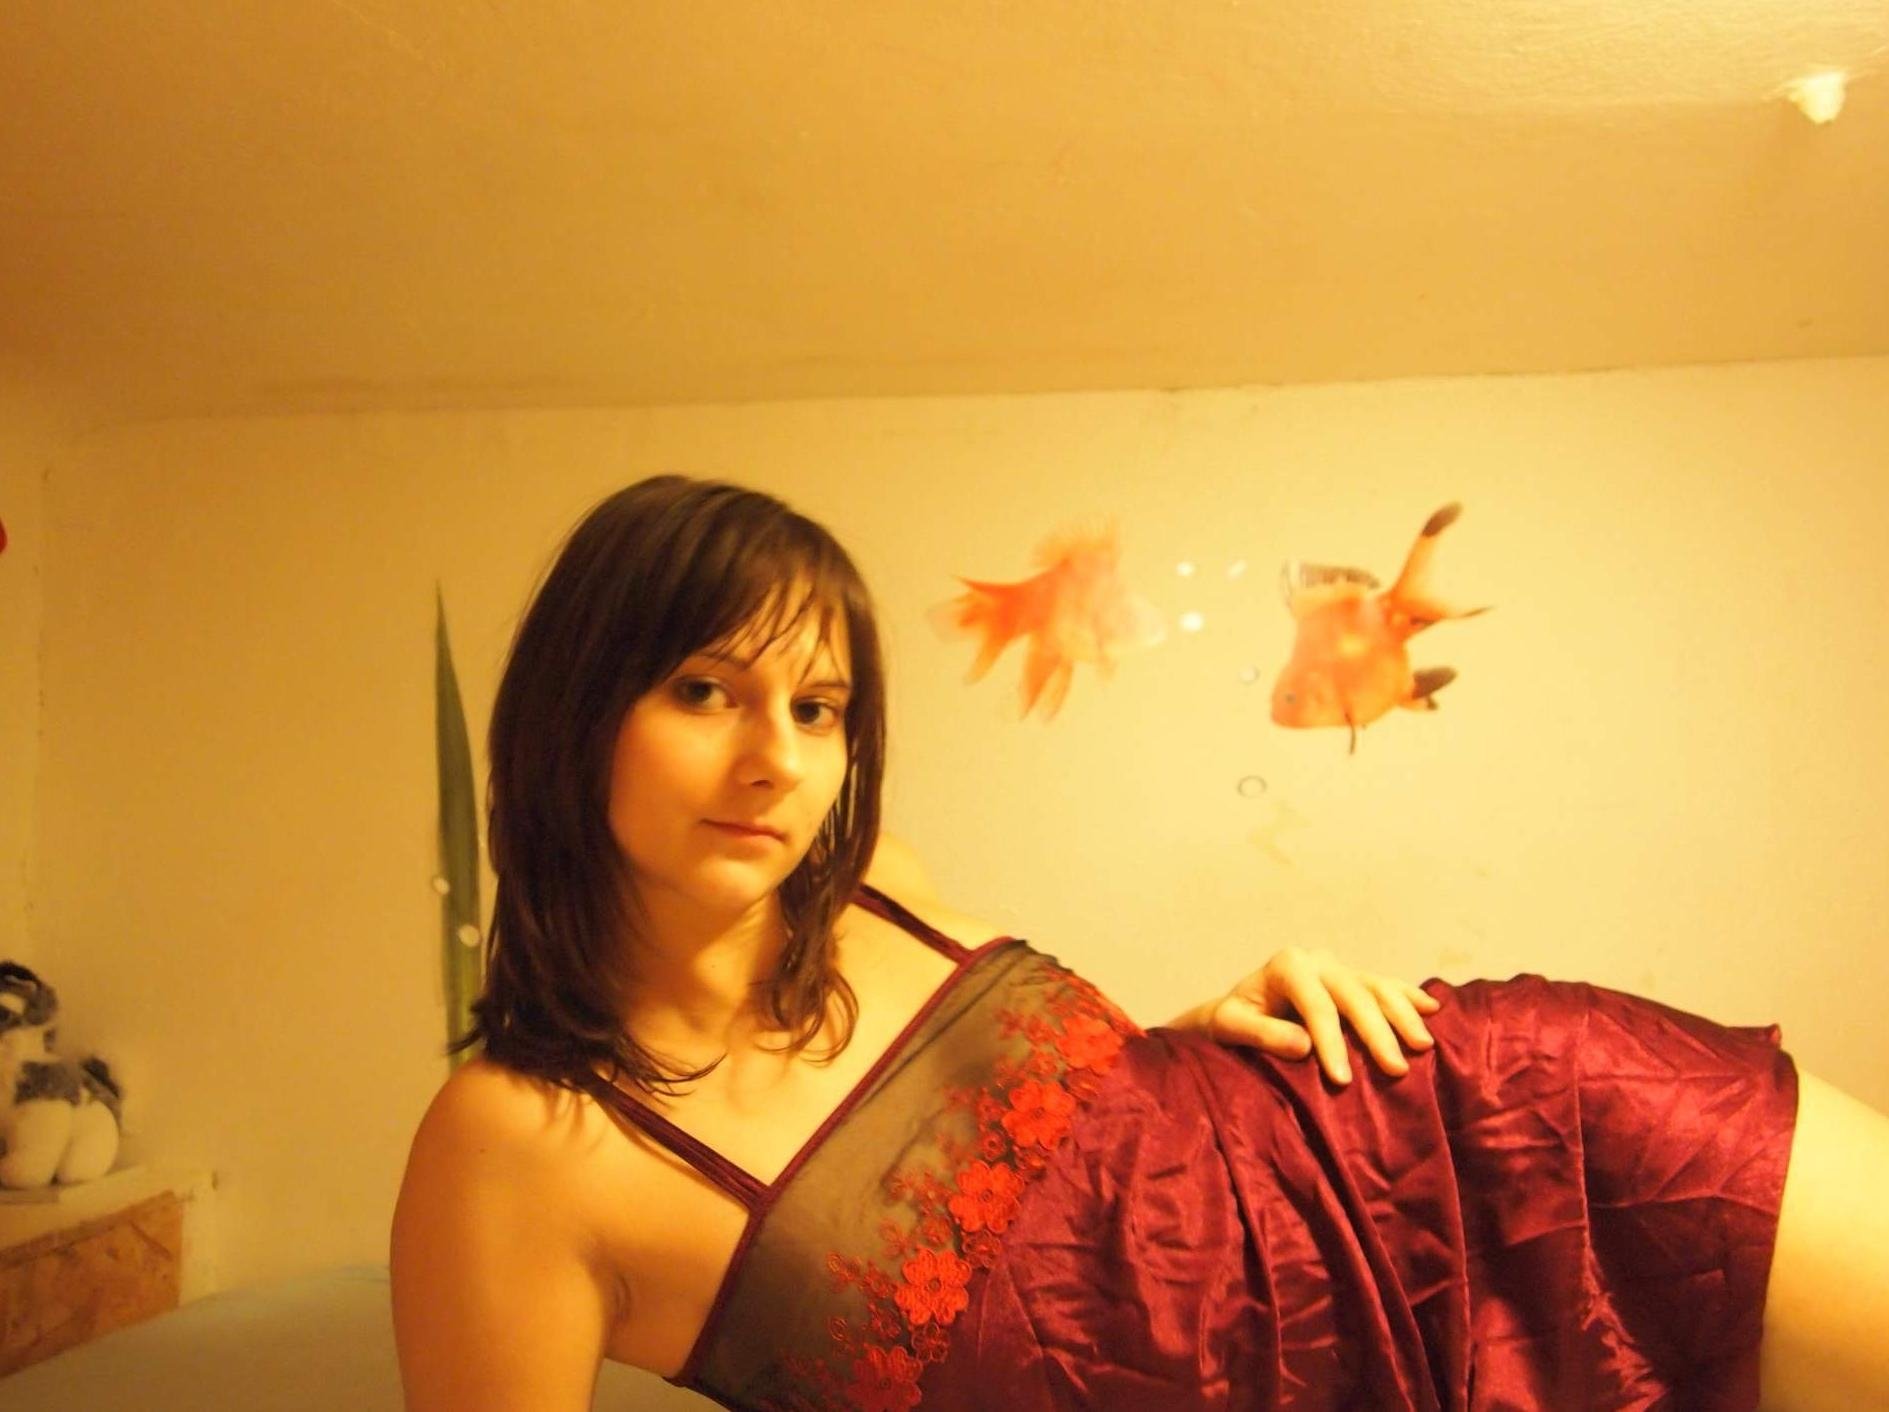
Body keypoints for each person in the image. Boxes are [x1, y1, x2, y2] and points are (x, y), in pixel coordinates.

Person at [390, 475, 1889, 1412]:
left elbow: (1086, 1188)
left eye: (818, 707)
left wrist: (1185, 1035)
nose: (775, 758)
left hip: (1480, 1126)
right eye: (705, 691)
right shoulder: (511, 1146)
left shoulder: (878, 888)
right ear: (578, 706)